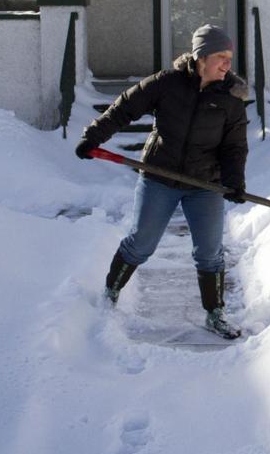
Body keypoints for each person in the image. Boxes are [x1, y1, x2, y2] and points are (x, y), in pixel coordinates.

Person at [76, 24, 248, 339]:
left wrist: (234, 182)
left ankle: (215, 314)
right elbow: (123, 109)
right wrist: (93, 138)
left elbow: (234, 147)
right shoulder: (167, 83)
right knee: (141, 243)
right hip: (160, 177)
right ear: (201, 57)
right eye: (220, 56)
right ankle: (110, 294)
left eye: (229, 57)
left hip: (205, 184)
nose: (227, 64)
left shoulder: (230, 99)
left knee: (210, 252)